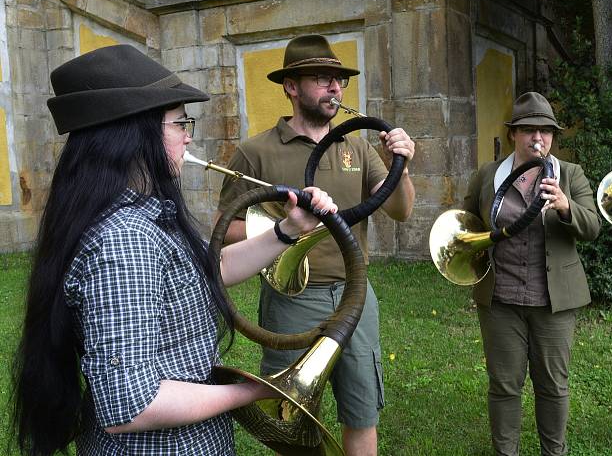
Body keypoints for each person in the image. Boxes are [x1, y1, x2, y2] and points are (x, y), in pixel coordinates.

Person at [10, 44, 336, 456]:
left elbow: (210, 267)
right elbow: (130, 406)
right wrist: (249, 393)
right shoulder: (125, 241)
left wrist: (288, 230)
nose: (188, 136)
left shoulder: (148, 214)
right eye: (180, 123)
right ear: (133, 133)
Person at [215, 34, 415, 456]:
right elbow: (224, 228)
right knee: (290, 419)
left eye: (339, 81)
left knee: (362, 412)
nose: (335, 89)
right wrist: (283, 227)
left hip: (354, 295)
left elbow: (400, 210)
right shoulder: (255, 152)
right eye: (322, 79)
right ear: (291, 87)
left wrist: (403, 166)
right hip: (290, 298)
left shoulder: (358, 144)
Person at [463, 92, 600, 456]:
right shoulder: (488, 176)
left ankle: (553, 452)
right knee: (504, 385)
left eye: (545, 131)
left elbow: (592, 227)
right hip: (500, 299)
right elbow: (467, 226)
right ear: (513, 134)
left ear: (553, 136)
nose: (537, 138)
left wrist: (566, 206)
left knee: (553, 385)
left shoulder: (570, 175)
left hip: (553, 300)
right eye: (527, 130)